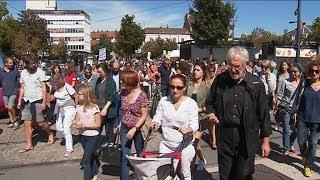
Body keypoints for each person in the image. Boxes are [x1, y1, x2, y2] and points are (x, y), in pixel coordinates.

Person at [205, 46, 272, 180]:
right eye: (231, 65)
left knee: (244, 175)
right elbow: (209, 103)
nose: (234, 70)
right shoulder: (220, 80)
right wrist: (211, 114)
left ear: (246, 64)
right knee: (225, 175)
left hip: (247, 137)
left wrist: (265, 141)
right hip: (225, 137)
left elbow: (264, 114)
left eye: (238, 66)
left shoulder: (256, 83)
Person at [151, 74, 198, 180]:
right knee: (165, 175)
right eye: (172, 87)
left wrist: (189, 129)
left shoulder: (191, 103)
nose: (175, 90)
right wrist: (155, 122)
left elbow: (195, 124)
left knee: (184, 174)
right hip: (166, 144)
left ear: (185, 87)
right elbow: (158, 116)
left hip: (184, 146)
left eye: (179, 87)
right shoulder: (164, 101)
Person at [17, 55, 55, 153]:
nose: (33, 65)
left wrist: (44, 102)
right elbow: (22, 88)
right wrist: (19, 100)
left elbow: (43, 88)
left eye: (34, 62)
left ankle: (50, 133)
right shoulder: (23, 73)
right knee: (27, 123)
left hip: (38, 100)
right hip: (26, 101)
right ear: (26, 64)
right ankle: (29, 144)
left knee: (40, 123)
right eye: (31, 63)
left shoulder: (40, 72)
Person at [293, 59, 320, 177]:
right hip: (302, 118)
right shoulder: (304, 83)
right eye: (311, 70)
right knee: (301, 141)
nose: (314, 73)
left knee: (313, 144)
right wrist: (293, 111)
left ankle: (309, 165)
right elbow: (296, 98)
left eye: (317, 71)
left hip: (317, 121)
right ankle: (304, 154)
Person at [119, 70, 148, 180]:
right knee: (125, 155)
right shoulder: (123, 93)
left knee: (140, 156)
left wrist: (135, 129)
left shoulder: (141, 95)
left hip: (138, 129)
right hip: (125, 127)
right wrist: (120, 123)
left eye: (124, 81)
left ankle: (141, 176)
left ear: (130, 82)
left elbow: (144, 115)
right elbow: (122, 110)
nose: (122, 83)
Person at [186, 61, 210, 171]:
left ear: (203, 72)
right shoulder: (189, 85)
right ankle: (200, 158)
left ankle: (194, 165)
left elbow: (210, 105)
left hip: (200, 119)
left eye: (198, 70)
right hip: (188, 118)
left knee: (194, 142)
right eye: (194, 70)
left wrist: (200, 109)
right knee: (192, 143)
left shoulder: (207, 87)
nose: (195, 72)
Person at [73, 85, 101, 180]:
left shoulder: (94, 108)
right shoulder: (79, 107)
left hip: (92, 137)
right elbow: (76, 118)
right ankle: (95, 175)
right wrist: (76, 123)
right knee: (90, 156)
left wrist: (85, 126)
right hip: (83, 136)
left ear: (85, 95)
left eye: (79, 94)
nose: (77, 95)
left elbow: (98, 124)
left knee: (85, 161)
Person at [275, 64, 301, 156]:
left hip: (298, 110)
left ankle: (290, 144)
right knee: (286, 129)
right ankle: (286, 148)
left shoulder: (302, 83)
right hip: (286, 108)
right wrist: (276, 106)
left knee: (296, 130)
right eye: (291, 71)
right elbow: (280, 95)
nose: (293, 73)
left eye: (295, 71)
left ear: (299, 72)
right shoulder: (285, 82)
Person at [53, 73, 77, 157]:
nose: (54, 83)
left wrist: (77, 110)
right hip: (60, 109)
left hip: (69, 108)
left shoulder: (67, 87)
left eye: (56, 81)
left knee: (66, 128)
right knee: (59, 127)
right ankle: (70, 137)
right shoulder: (56, 87)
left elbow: (76, 96)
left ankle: (69, 149)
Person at [95, 63, 118, 144]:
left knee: (109, 131)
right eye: (98, 72)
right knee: (98, 129)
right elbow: (96, 94)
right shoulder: (99, 80)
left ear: (105, 71)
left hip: (109, 110)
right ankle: (97, 147)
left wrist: (105, 108)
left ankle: (111, 148)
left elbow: (111, 96)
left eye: (100, 72)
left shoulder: (111, 81)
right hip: (99, 108)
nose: (99, 74)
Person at [0, 56, 20, 130]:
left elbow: (19, 80)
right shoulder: (1, 72)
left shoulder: (15, 71)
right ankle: (12, 121)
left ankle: (15, 121)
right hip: (5, 92)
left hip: (14, 92)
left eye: (12, 63)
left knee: (11, 106)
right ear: (6, 64)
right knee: (8, 108)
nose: (12, 64)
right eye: (10, 63)